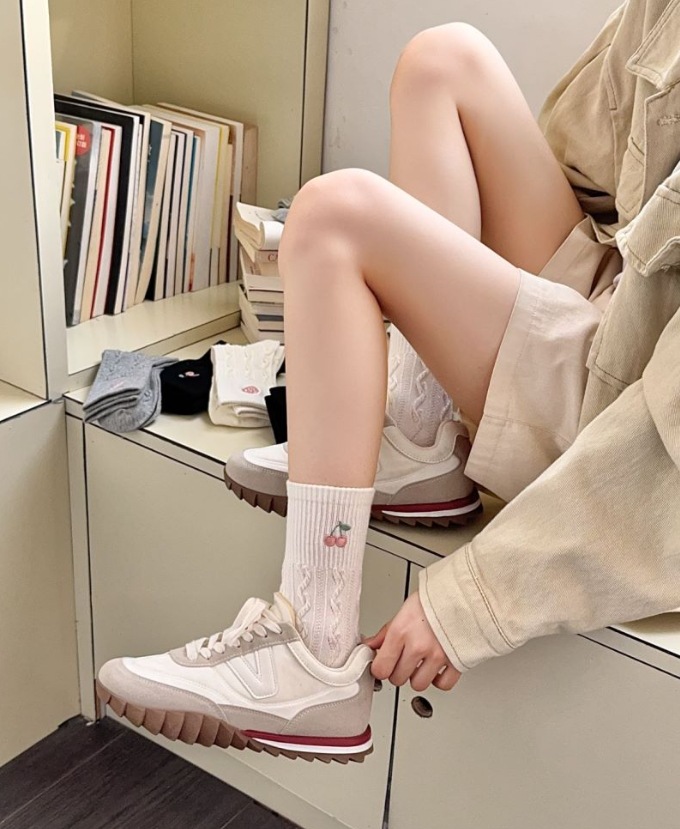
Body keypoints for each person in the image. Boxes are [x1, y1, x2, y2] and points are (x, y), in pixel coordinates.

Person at [96, 4, 651, 763]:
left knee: (334, 215)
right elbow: (599, 170)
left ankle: (315, 650)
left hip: (630, 393)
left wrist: (474, 601)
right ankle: (418, 437)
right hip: (623, 285)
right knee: (443, 60)